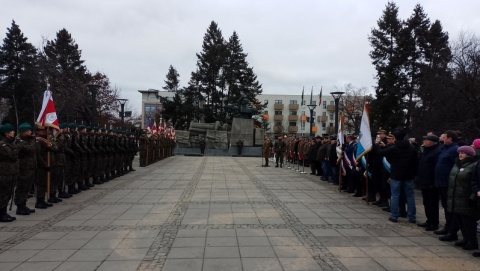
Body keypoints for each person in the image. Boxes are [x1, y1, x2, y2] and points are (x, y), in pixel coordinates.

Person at [376, 128, 418, 223]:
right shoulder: (412, 148)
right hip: (409, 174)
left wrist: (378, 145)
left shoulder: (394, 147)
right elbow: (416, 162)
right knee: (410, 196)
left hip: (396, 174)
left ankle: (394, 215)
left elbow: (380, 153)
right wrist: (415, 174)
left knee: (395, 195)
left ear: (395, 138)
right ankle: (412, 217)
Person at [447, 146, 479, 250]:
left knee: (468, 222)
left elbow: (473, 181)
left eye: (463, 153)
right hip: (456, 197)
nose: (460, 154)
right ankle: (466, 239)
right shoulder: (458, 164)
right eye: (459, 152)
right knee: (460, 220)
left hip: (466, 198)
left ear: (469, 154)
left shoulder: (474, 165)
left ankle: (472, 242)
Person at [435, 130, 460, 240]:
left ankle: (451, 229)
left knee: (449, 207)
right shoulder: (445, 148)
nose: (442, 139)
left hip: (447, 182)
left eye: (444, 137)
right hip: (441, 181)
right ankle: (447, 227)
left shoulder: (454, 150)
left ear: (450, 139)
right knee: (445, 206)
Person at [416, 135, 441, 231]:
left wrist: (433, 181)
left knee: (433, 203)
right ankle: (429, 220)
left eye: (426, 140)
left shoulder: (436, 152)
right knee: (426, 202)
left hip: (431, 182)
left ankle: (434, 222)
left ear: (431, 142)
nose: (424, 141)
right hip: (424, 181)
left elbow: (435, 168)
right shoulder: (426, 151)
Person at [14, 123, 37, 215]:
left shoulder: (27, 140)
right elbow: (30, 149)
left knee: (26, 188)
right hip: (23, 168)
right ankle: (20, 206)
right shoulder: (19, 141)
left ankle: (23, 205)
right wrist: (33, 140)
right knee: (22, 187)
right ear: (24, 132)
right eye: (29, 131)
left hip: (29, 167)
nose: (31, 132)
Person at [0, 124, 19, 222]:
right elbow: (11, 155)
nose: (14, 132)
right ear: (6, 133)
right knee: (3, 193)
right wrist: (16, 146)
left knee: (8, 194)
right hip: (4, 173)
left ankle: (4, 213)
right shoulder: (2, 144)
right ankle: (1, 214)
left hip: (11, 172)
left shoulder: (10, 144)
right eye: (12, 131)